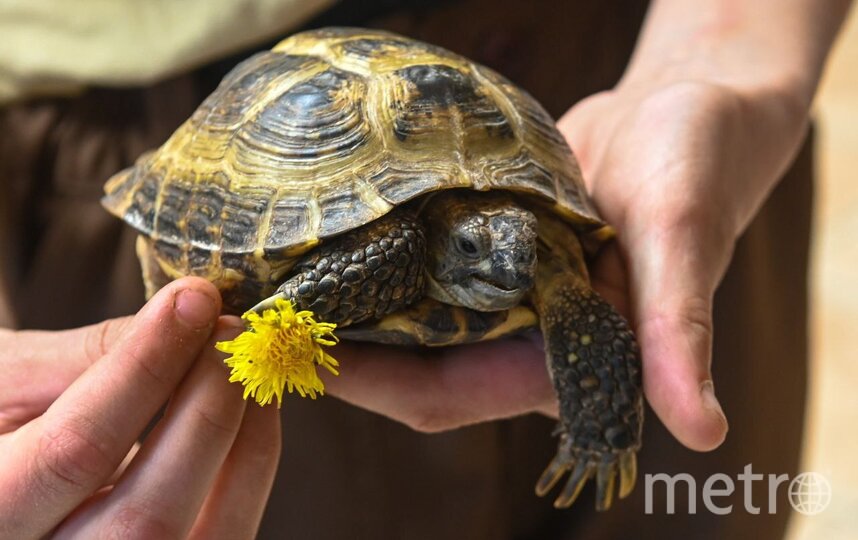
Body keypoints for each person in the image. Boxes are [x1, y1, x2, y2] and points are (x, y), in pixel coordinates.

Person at [0, 0, 850, 537]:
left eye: (520, 248)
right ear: (452, 241)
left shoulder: (533, 251)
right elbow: (379, 255)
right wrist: (280, 326)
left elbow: (571, 294)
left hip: (630, 76)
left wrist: (729, 49)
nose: (510, 269)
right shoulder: (407, 242)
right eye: (483, 251)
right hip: (107, 107)